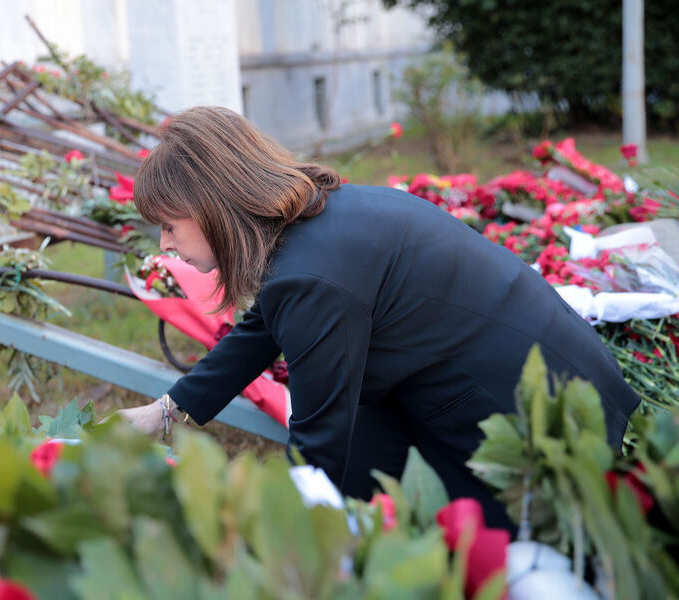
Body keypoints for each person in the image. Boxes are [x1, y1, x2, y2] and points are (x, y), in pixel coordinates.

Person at [117, 106, 640, 530]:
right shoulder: (317, 222)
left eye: (168, 226)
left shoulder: (311, 274)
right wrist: (167, 409)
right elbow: (266, 327)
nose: (164, 245)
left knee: (478, 553)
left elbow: (320, 438)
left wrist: (287, 546)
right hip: (517, 379)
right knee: (368, 485)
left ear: (215, 206)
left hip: (534, 416)